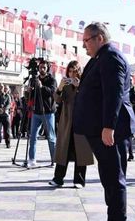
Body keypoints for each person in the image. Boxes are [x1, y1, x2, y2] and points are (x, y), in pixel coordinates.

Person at [73, 23, 135, 221]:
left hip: (110, 130)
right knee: (108, 178)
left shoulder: (111, 57)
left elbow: (114, 93)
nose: (84, 46)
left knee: (114, 179)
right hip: (98, 128)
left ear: (99, 38)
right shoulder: (98, 58)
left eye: (86, 40)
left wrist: (109, 126)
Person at [49, 60, 94, 188]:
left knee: (81, 151)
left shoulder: (85, 84)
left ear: (79, 72)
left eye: (75, 71)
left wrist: (80, 87)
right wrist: (60, 88)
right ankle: (58, 178)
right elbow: (57, 100)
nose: (72, 74)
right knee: (63, 150)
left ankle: (79, 180)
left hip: (82, 121)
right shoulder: (65, 84)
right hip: (67, 121)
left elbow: (91, 100)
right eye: (70, 71)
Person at [27, 59, 58, 167]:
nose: (42, 69)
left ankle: (54, 160)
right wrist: (29, 90)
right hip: (36, 111)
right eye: (40, 67)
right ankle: (32, 158)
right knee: (33, 136)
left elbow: (52, 92)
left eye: (44, 67)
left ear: (47, 68)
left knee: (51, 137)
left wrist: (41, 87)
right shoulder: (34, 79)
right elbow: (29, 96)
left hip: (48, 112)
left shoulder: (52, 80)